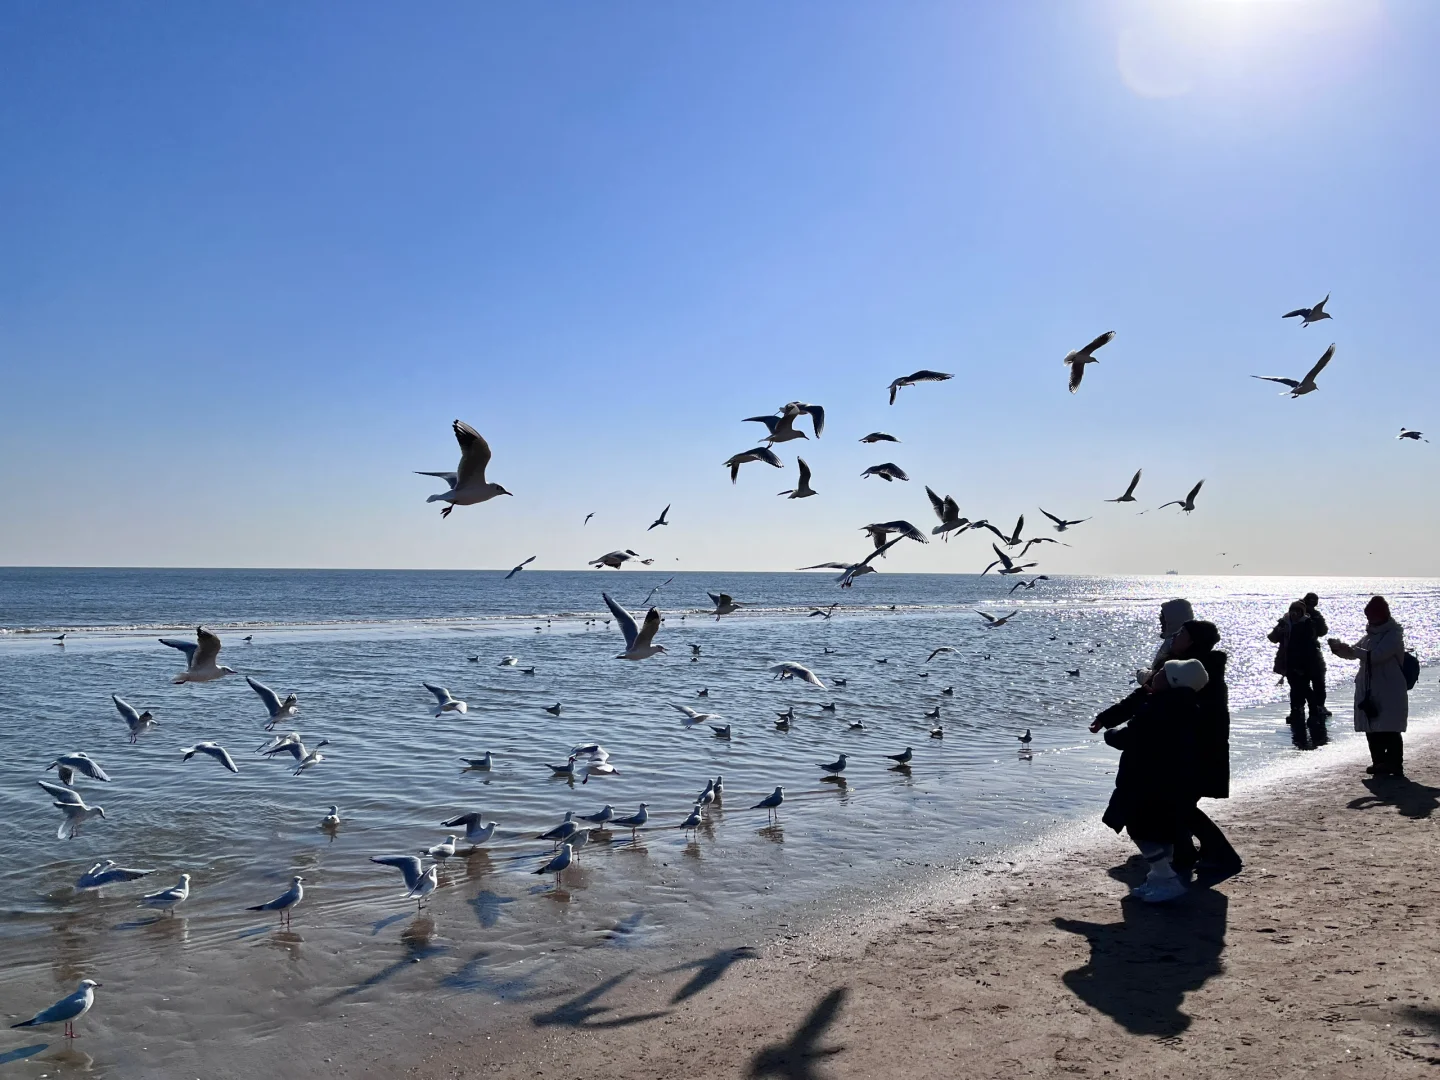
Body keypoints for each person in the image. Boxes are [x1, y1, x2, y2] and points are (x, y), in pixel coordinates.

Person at [1097, 658, 1209, 903]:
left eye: (1160, 674)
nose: (1154, 675)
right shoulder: (1186, 706)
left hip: (1144, 779)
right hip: (1171, 780)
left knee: (1139, 828)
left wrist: (1112, 735)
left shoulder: (1158, 709)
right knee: (1162, 830)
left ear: (1172, 683)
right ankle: (1159, 878)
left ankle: (1165, 878)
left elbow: (1135, 738)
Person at [1328, 595, 1409, 777]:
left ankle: (1395, 764)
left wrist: (1354, 651)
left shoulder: (1393, 635)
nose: (1369, 620)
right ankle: (1379, 762)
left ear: (1382, 615)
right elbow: (1355, 654)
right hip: (1369, 687)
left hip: (1389, 687)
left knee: (1389, 728)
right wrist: (1340, 650)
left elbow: (1377, 655)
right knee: (1371, 727)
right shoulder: (1369, 636)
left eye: (1372, 616)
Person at [1268, 600, 1325, 734]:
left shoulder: (1307, 623)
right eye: (1293, 611)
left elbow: (1309, 643)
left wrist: (1304, 664)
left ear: (1302, 612)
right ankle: (1296, 711)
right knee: (1295, 687)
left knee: (1305, 688)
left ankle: (1313, 712)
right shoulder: (1284, 622)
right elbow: (1272, 638)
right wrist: (1280, 630)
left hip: (1306, 662)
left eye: (1298, 611)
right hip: (1288, 661)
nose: (1295, 614)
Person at [1302, 592, 1331, 719]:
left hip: (1308, 652)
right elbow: (1323, 631)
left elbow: (1323, 631)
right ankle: (1314, 706)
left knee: (1311, 682)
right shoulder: (1301, 614)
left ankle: (1309, 708)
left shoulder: (1313, 615)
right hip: (1307, 653)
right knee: (1313, 682)